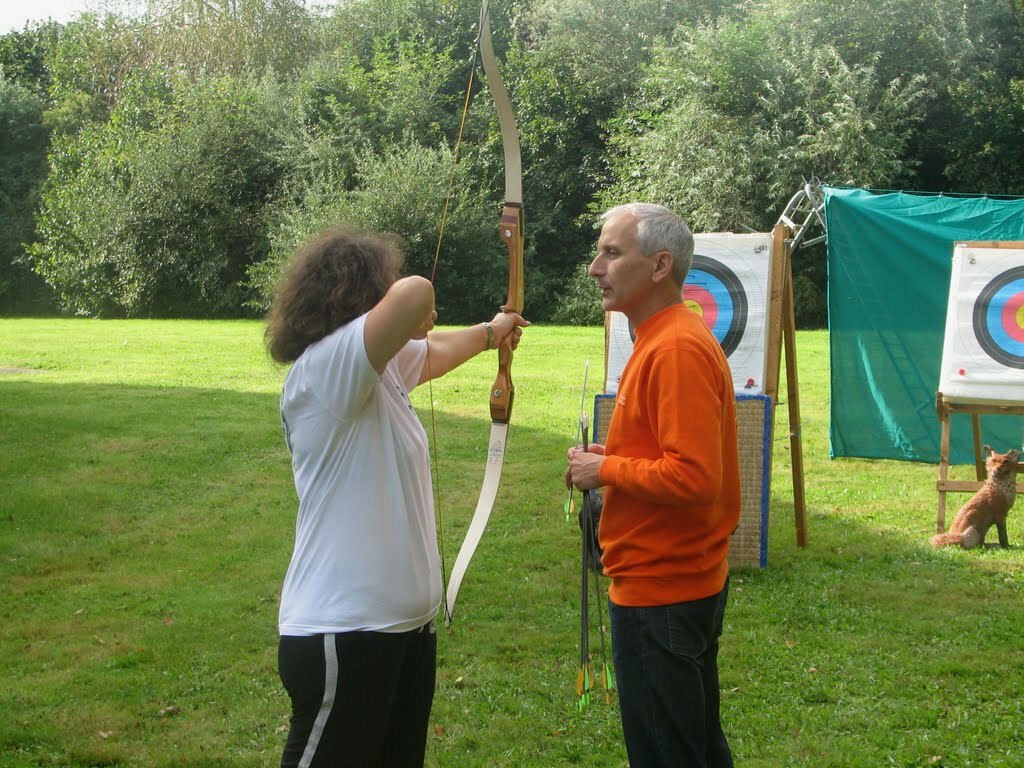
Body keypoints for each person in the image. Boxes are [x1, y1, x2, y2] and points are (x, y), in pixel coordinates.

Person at [265, 228, 528, 768]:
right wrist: (411, 310)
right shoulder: (328, 368)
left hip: (403, 631)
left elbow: (432, 352)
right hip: (345, 631)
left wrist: (491, 332)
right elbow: (414, 294)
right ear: (360, 295)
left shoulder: (376, 372)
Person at [566, 203, 740, 768]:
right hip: (675, 583)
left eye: (612, 253)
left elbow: (695, 476)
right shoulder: (662, 337)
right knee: (694, 746)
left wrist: (605, 471)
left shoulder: (675, 348)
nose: (595, 268)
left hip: (662, 590)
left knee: (668, 753)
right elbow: (668, 454)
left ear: (660, 265)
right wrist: (611, 458)